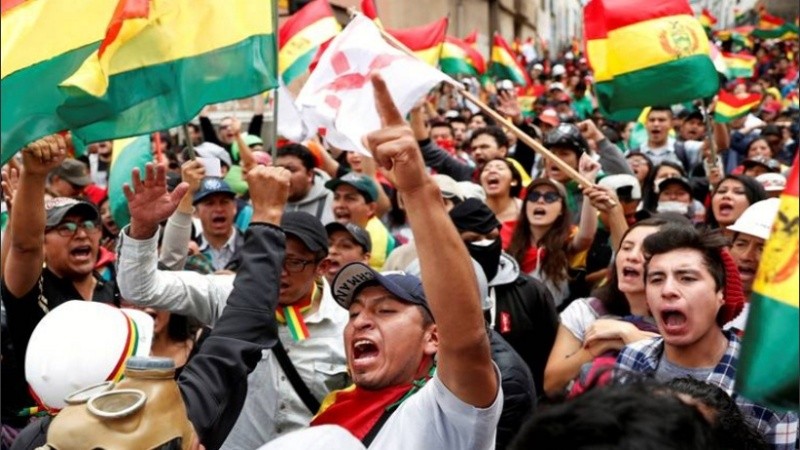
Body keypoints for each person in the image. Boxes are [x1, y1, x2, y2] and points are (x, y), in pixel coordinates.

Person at [286, 73, 502, 449]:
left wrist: (417, 190)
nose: (362, 321)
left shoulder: (444, 411)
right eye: (354, 314)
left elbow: (466, 339)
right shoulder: (333, 410)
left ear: (433, 337)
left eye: (385, 311)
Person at [25, 163, 293, 449]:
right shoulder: (169, 424)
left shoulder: (30, 441)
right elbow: (242, 325)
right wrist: (266, 217)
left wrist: (142, 229)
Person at [116, 166, 350, 448]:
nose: (281, 272)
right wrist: (143, 228)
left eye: (294, 262)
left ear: (321, 267)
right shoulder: (229, 295)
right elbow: (141, 288)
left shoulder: (347, 324)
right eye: (275, 259)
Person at [615, 225, 798, 448]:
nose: (668, 290)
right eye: (656, 279)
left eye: (687, 278)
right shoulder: (631, 358)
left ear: (721, 293)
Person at [1, 135, 118, 425]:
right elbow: (24, 246)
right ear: (44, 241)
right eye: (65, 227)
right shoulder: (33, 291)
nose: (81, 234)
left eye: (89, 224)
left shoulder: (114, 289)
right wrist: (35, 175)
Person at [543, 216, 679, 398]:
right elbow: (552, 384)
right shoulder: (585, 310)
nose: (632, 256)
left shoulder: (682, 320)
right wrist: (600, 345)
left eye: (647, 250)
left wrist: (630, 336)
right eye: (627, 247)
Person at [449, 198, 558, 396]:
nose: (485, 245)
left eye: (491, 236)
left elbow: (550, 354)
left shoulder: (531, 292)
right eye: (473, 240)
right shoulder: (437, 292)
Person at [505, 164, 605, 306]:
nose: (540, 200)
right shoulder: (505, 238)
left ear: (562, 210)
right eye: (533, 196)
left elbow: (586, 236)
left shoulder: (567, 240)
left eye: (550, 197)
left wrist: (588, 183)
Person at [724, 198, 780, 333]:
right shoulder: (702, 302)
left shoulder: (787, 318)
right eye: (741, 244)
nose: (746, 256)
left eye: (762, 248)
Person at [326, 172, 395, 270]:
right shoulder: (329, 229)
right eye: (336, 198)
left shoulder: (379, 238)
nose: (340, 205)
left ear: (371, 208)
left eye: (350, 199)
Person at [275, 143, 335, 225]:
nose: (283, 174)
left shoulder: (334, 201)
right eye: (279, 169)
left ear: (310, 175)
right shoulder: (265, 201)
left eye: (291, 169)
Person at [192, 177, 243, 271]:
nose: (218, 209)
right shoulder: (189, 251)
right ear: (196, 212)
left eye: (224, 202)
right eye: (209, 203)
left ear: (235, 207)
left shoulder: (252, 248)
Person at [480, 158, 524, 236]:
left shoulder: (524, 210)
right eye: (486, 169)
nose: (492, 171)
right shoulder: (473, 211)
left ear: (513, 181)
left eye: (500, 168)